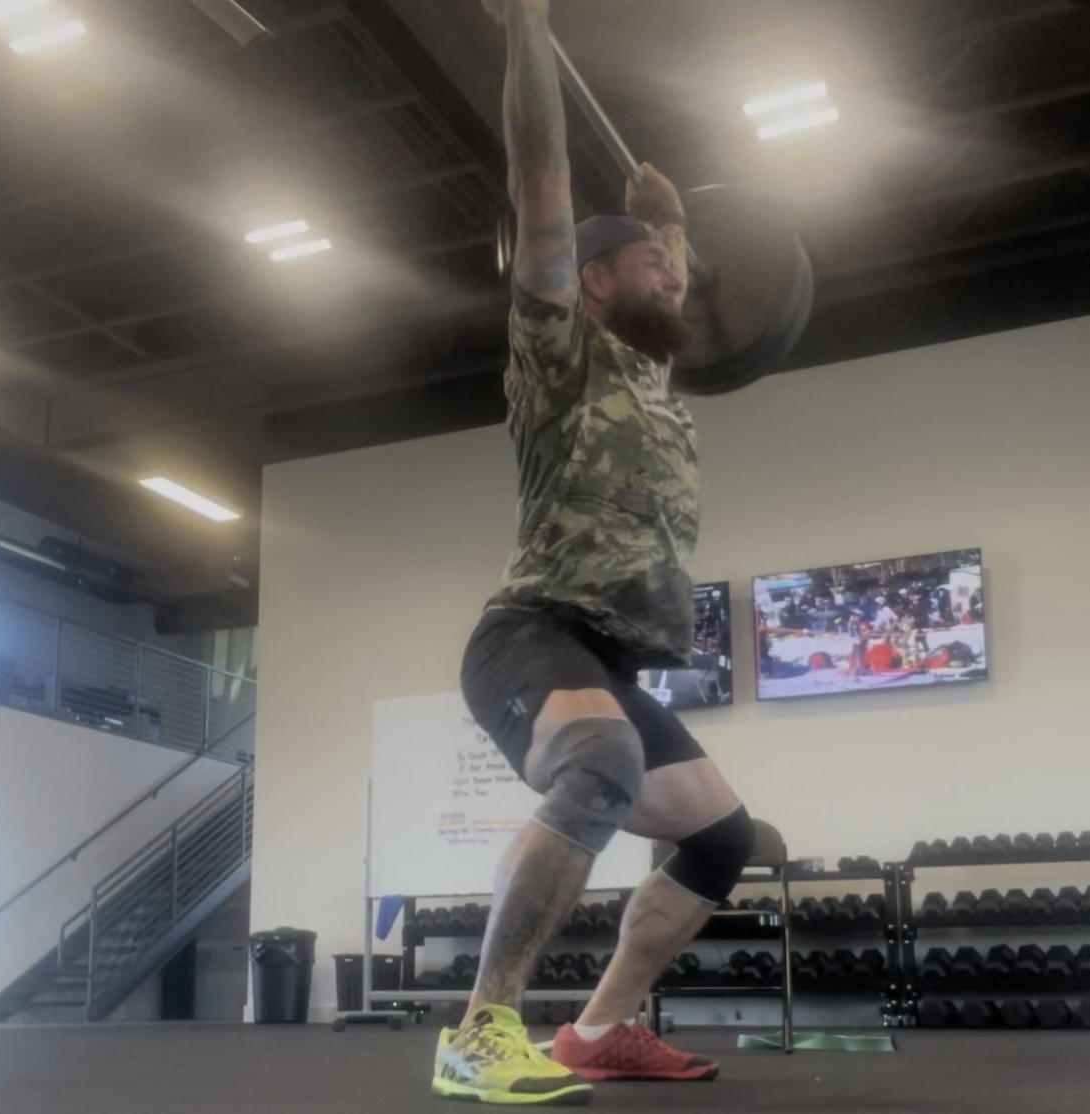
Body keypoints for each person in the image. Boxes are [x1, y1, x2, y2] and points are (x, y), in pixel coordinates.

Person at [434, 1, 755, 1105]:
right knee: (603, 768)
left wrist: (665, 218)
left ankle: (598, 1030)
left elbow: (679, 286)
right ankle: (480, 1032)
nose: (677, 276)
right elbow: (537, 175)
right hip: (529, 633)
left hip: (609, 659)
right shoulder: (558, 349)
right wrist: (526, 28)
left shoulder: (653, 374)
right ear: (594, 278)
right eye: (656, 264)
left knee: (721, 837)